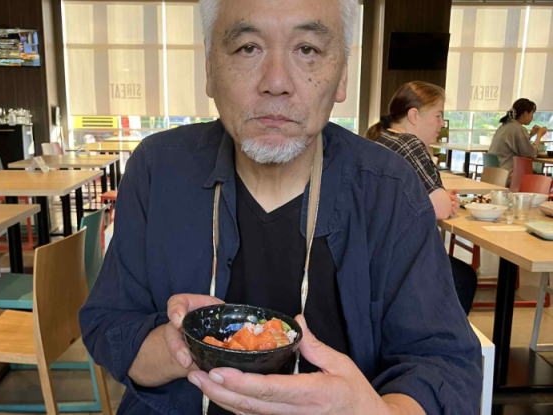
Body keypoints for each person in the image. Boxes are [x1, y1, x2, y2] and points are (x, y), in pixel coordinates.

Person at [80, 1, 482, 414]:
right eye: (248, 48)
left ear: (342, 76)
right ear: (210, 72)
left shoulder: (388, 186)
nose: (276, 83)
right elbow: (110, 325)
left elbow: (445, 364)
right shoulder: (159, 167)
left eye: (307, 49)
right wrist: (178, 347)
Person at [366, 81, 477, 314]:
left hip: (375, 254)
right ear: (414, 115)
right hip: (400, 260)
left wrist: (439, 199)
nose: (441, 124)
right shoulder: (409, 143)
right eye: (438, 115)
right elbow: (441, 209)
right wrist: (443, 200)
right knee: (464, 278)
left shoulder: (382, 138)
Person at [488, 98, 548, 181]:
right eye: (532, 114)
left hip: (493, 174)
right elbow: (530, 154)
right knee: (539, 179)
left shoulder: (505, 126)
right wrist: (539, 136)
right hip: (507, 176)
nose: (532, 118)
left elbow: (517, 144)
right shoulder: (518, 128)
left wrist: (531, 135)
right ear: (525, 113)